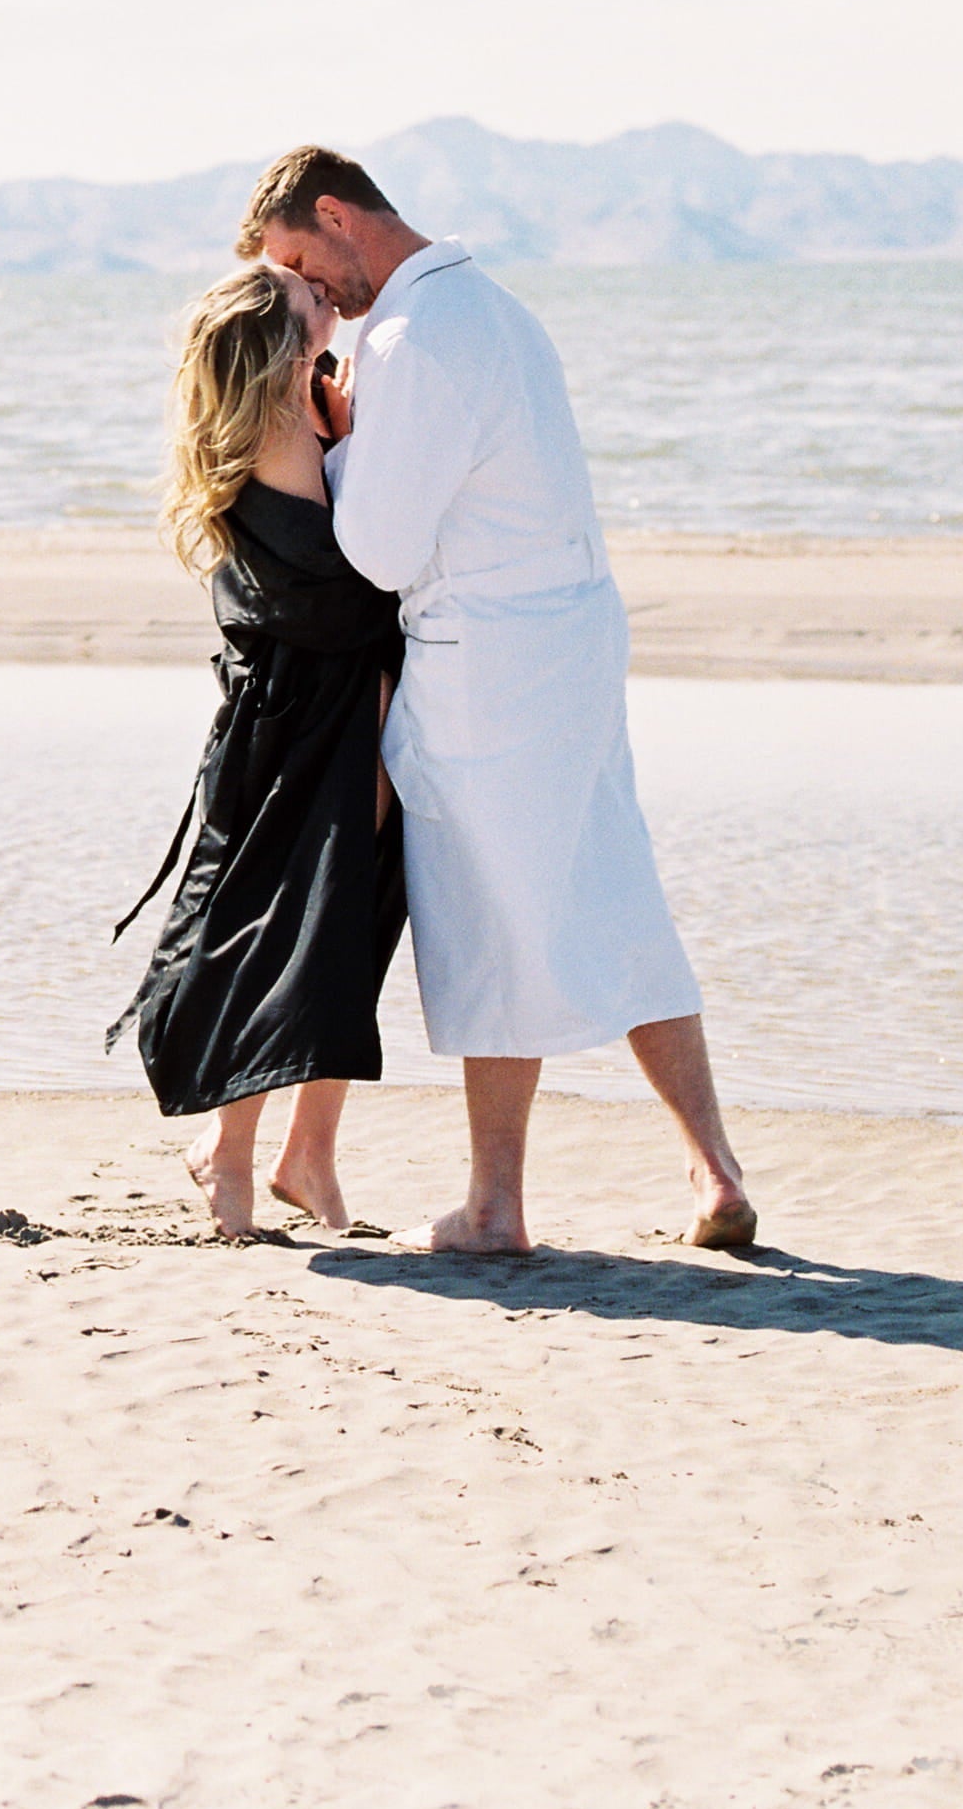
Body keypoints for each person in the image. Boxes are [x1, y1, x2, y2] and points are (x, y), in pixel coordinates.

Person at [244, 143, 757, 1257]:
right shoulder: (495, 307)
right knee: (614, 890)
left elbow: (379, 551)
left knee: (490, 918)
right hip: (575, 633)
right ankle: (713, 1167)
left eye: (299, 259)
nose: (306, 287)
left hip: (485, 659)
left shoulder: (408, 340)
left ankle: (493, 1206)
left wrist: (329, 444)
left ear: (336, 214)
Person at [111, 263, 413, 1242]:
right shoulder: (278, 424)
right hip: (301, 722)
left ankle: (306, 1152)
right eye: (307, 299)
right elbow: (340, 586)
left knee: (349, 920)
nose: (327, 298)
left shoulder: (309, 401)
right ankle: (231, 1148)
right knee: (288, 927)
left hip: (348, 711)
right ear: (279, 340)